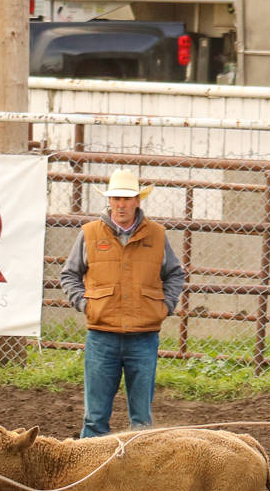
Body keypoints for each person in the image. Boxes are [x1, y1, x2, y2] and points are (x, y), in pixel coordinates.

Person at [60, 168, 185, 438]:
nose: (121, 204)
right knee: (95, 417)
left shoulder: (157, 235)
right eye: (116, 198)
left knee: (141, 418)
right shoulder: (90, 234)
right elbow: (70, 274)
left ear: (138, 201)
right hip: (102, 334)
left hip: (144, 336)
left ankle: (139, 475)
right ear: (109, 200)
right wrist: (85, 304)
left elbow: (175, 274)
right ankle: (89, 473)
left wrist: (166, 306)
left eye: (127, 198)